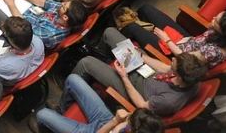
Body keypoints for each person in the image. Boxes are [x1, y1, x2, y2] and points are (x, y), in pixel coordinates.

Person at [71, 27, 207, 117]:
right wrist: (141, 56)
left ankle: (69, 92)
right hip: (144, 70)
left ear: (180, 76)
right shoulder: (192, 76)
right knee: (110, 32)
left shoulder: (169, 101)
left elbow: (141, 105)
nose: (171, 59)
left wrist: (124, 77)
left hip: (132, 87)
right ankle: (104, 57)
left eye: (174, 63)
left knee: (86, 62)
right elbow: (165, 68)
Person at [119, 5, 226, 69]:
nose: (213, 18)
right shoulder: (224, 35)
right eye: (216, 16)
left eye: (216, 21)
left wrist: (166, 39)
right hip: (186, 40)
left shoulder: (214, 52)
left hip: (174, 53)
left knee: (132, 28)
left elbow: (184, 57)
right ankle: (140, 29)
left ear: (223, 31)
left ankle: (121, 35)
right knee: (146, 8)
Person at [38, 87, 165, 133]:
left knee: (42, 114)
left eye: (130, 121)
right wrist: (118, 122)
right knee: (73, 79)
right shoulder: (147, 126)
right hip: (107, 120)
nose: (129, 116)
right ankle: (62, 111)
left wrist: (116, 121)